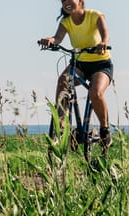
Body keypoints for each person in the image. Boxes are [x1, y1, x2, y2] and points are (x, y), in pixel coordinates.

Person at [37, 0, 113, 148]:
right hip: (80, 64)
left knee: (95, 93)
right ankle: (62, 126)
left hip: (101, 64)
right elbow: (57, 38)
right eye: (63, 0)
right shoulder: (66, 22)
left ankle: (105, 130)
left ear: (80, 1)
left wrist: (103, 43)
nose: (66, 2)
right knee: (63, 81)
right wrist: (50, 41)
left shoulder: (94, 15)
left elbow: (105, 34)